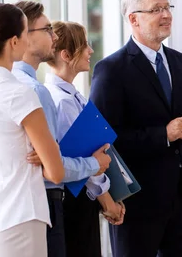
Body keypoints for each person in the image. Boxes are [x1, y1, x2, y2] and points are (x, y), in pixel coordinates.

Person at [89, 0, 182, 257]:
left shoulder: (178, 62)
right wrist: (163, 134)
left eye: (167, 8)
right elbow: (105, 140)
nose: (166, 14)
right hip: (137, 203)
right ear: (134, 18)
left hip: (180, 201)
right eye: (157, 9)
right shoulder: (111, 70)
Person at [12, 1, 111, 257]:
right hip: (58, 200)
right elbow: (55, 167)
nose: (53, 38)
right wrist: (93, 167)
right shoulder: (43, 94)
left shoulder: (62, 94)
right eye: (46, 30)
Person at [0, 3, 64, 257]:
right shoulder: (21, 93)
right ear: (14, 42)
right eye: (24, 33)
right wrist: (44, 155)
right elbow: (55, 172)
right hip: (20, 221)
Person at [44, 21, 125, 257]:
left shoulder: (72, 95)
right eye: (85, 45)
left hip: (80, 198)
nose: (90, 50)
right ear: (66, 54)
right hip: (75, 200)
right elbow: (82, 161)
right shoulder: (63, 101)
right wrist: (108, 203)